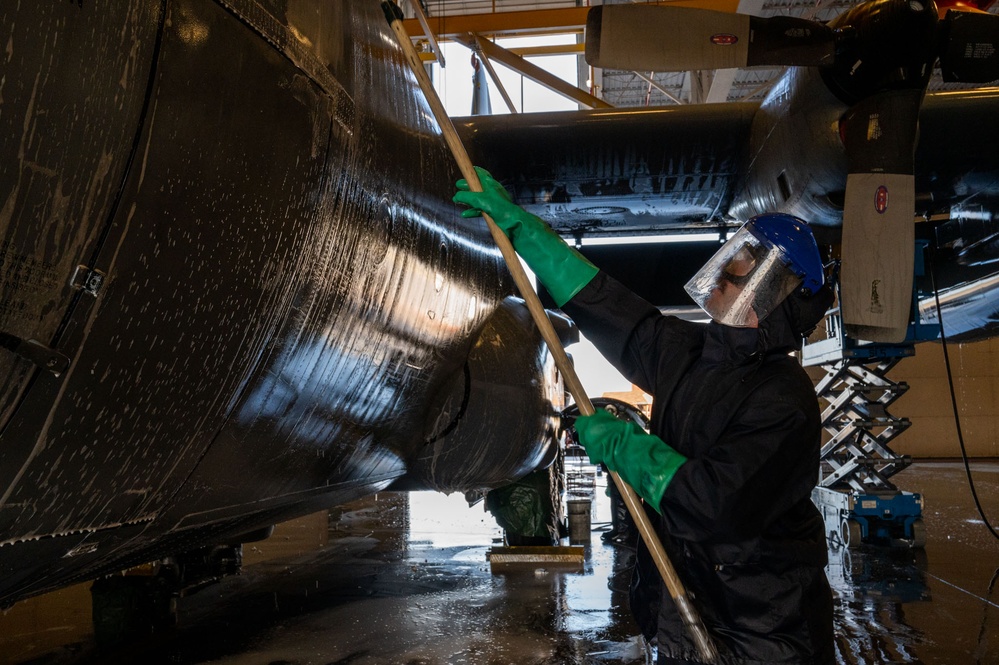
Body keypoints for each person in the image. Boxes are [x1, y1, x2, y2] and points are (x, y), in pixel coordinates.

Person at [454, 167, 836, 665]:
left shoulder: (784, 398)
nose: (718, 277)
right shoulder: (695, 353)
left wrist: (626, 447)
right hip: (683, 611)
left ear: (771, 291)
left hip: (761, 632)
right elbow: (611, 309)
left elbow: (713, 504)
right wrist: (524, 229)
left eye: (736, 269)